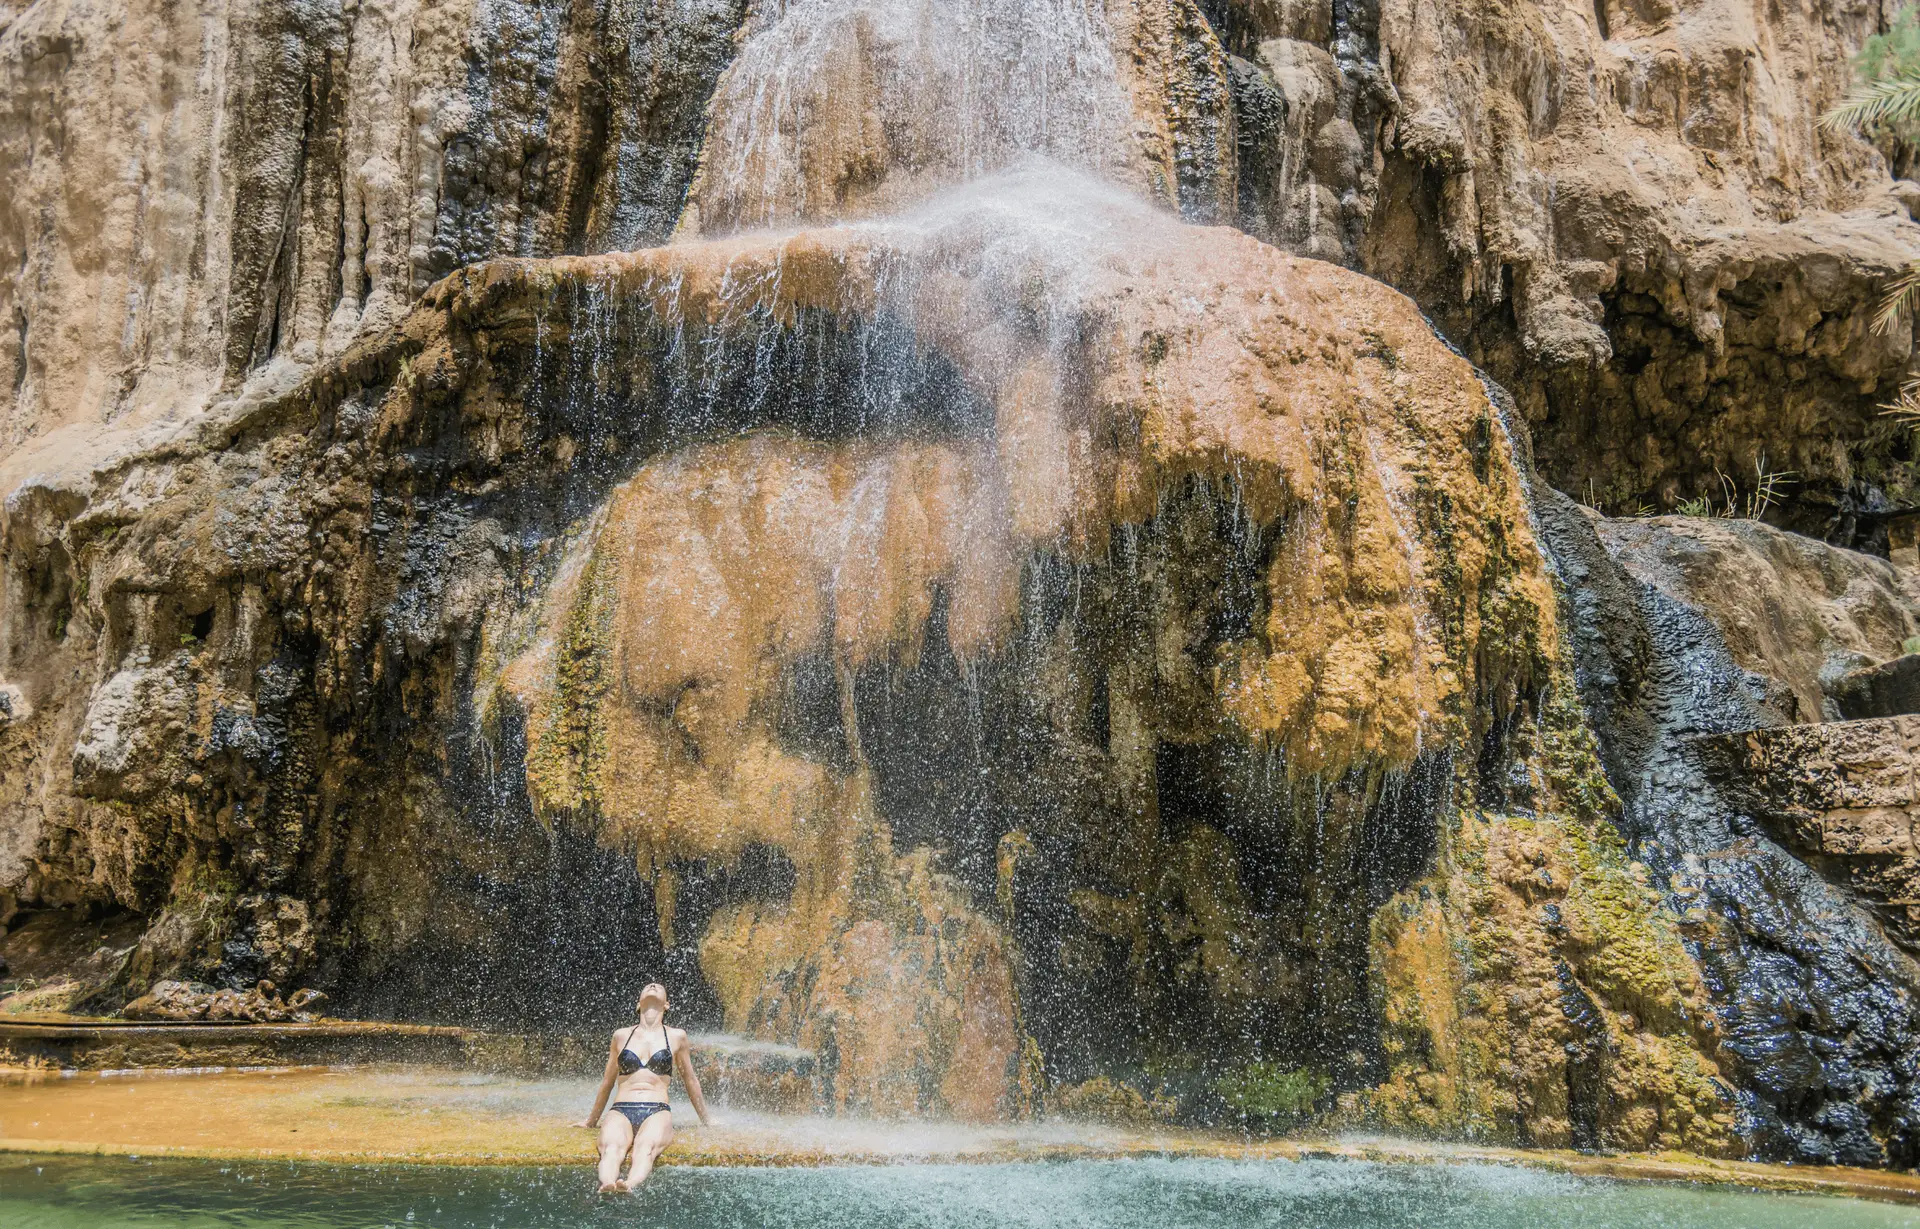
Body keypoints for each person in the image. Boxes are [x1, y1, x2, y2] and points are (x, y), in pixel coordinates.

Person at [576, 981, 713, 1193]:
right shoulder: (621, 1035)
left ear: (667, 1005)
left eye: (658, 986)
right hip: (621, 1109)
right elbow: (607, 1081)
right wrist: (591, 1121)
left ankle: (629, 1184)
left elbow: (691, 1080)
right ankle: (607, 1183)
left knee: (645, 1149)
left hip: (657, 1110)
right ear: (638, 1004)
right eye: (648, 986)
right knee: (611, 1150)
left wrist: (707, 1120)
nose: (652, 985)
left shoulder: (677, 1036)